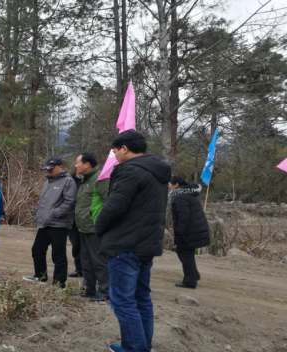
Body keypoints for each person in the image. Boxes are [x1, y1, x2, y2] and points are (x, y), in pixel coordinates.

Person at [94, 130, 171, 352]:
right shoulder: (157, 171)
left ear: (125, 149)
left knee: (122, 301)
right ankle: (140, 346)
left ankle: (135, 349)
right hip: (147, 242)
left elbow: (115, 205)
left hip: (126, 244)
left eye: (115, 151)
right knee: (140, 298)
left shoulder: (130, 170)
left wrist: (99, 227)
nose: (115, 155)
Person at [23, 157, 76, 288]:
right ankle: (40, 276)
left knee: (58, 254)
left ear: (60, 167)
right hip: (44, 223)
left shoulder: (68, 181)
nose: (49, 172)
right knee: (37, 249)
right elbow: (45, 202)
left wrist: (54, 214)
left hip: (59, 224)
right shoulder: (47, 182)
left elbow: (69, 203)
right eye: (47, 169)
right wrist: (38, 212)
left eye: (51, 169)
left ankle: (59, 283)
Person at [74, 152, 110, 302]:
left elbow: (108, 201)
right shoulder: (85, 180)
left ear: (87, 164)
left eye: (78, 163)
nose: (75, 166)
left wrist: (99, 222)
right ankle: (89, 289)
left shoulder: (100, 178)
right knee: (86, 261)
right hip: (83, 227)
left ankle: (105, 292)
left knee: (99, 261)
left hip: (94, 227)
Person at [169, 175, 210, 289]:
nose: (168, 185)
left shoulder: (180, 197)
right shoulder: (188, 194)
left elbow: (184, 216)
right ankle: (193, 275)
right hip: (195, 229)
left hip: (190, 231)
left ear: (176, 185)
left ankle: (190, 281)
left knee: (185, 253)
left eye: (170, 183)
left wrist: (180, 233)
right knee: (184, 252)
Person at [68, 169, 83, 278]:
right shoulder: (70, 180)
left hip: (86, 218)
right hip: (72, 218)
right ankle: (79, 269)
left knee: (87, 246)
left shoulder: (93, 180)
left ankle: (89, 270)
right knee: (76, 245)